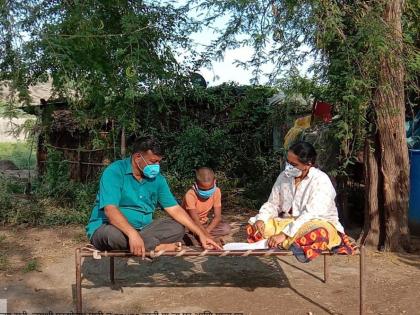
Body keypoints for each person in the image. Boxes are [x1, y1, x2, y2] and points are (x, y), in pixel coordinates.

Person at [86, 137, 221, 258]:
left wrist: (201, 234)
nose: (156, 166)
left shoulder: (158, 179)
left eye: (158, 162)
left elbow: (174, 209)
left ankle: (146, 244)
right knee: (113, 236)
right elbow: (110, 210)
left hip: (144, 230)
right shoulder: (115, 171)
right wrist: (132, 234)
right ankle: (156, 246)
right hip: (109, 227)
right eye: (153, 161)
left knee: (177, 227)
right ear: (138, 157)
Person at [249, 141, 345, 249]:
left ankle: (282, 242)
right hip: (288, 223)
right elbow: (273, 203)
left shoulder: (321, 180)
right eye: (288, 162)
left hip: (314, 223)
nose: (289, 166)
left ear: (308, 164)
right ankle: (289, 243)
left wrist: (284, 234)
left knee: (318, 233)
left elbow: (310, 215)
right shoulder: (284, 176)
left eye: (293, 164)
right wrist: (262, 218)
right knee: (255, 227)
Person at [182, 167, 231, 244]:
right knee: (185, 235)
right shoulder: (190, 195)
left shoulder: (217, 191)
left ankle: (200, 237)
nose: (207, 191)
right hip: (190, 225)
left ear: (215, 182)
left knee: (225, 228)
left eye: (210, 188)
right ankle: (197, 238)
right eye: (203, 190)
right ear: (196, 185)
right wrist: (209, 237)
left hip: (204, 224)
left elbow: (217, 217)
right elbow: (195, 220)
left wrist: (206, 233)